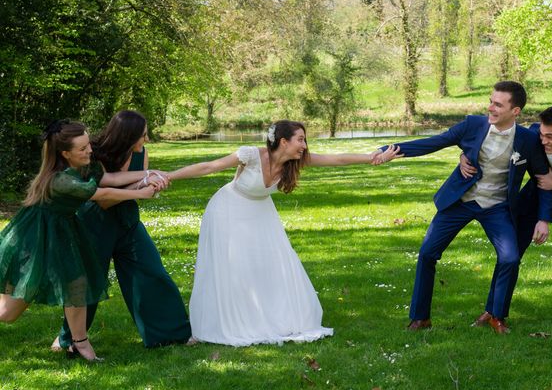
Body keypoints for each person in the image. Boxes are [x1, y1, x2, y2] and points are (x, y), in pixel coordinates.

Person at [168, 120, 399, 346]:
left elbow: (336, 159)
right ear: (283, 141)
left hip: (260, 212)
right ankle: (224, 323)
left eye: (305, 140)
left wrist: (373, 157)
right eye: (300, 139)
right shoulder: (250, 155)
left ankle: (265, 318)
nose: (304, 145)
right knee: (236, 267)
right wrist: (167, 176)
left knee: (272, 264)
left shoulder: (295, 162)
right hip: (228, 210)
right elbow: (209, 166)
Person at [380, 81, 552, 334]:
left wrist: (544, 218)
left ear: (515, 111)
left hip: (497, 207)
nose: (490, 107)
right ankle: (420, 318)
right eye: (490, 101)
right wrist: (388, 150)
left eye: (498, 104)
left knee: (510, 258)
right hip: (460, 201)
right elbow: (435, 142)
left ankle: (497, 315)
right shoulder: (473, 124)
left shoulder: (527, 140)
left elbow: (542, 179)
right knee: (428, 253)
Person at [0, 120, 157, 361]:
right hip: (36, 236)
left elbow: (111, 179)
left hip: (62, 228)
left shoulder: (82, 166)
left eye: (88, 145)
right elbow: (102, 194)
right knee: (9, 313)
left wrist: (150, 174)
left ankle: (80, 343)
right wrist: (140, 193)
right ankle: (77, 342)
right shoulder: (61, 179)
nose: (90, 151)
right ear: (65, 153)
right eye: (82, 149)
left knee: (77, 284)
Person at [53, 111, 192, 351]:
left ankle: (172, 335)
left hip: (128, 223)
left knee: (153, 273)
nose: (146, 140)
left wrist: (150, 182)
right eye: (143, 135)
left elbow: (137, 183)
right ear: (127, 136)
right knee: (89, 285)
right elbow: (104, 200)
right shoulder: (94, 154)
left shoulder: (142, 154)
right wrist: (143, 185)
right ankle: (68, 339)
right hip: (95, 226)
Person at [464, 104, 552, 331]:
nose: (543, 141)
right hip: (534, 200)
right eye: (542, 135)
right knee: (510, 254)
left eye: (550, 137)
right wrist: (465, 156)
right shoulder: (532, 136)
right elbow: (490, 141)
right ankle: (493, 310)